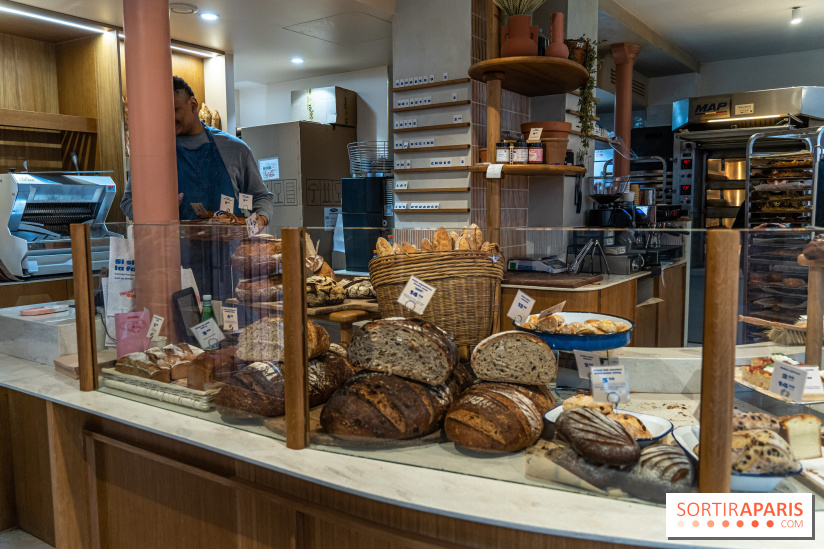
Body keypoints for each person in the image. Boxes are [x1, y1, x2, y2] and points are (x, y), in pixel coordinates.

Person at [121, 76, 275, 300]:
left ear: (192, 105)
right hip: (174, 266)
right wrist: (156, 211)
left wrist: (257, 223)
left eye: (174, 110)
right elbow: (128, 202)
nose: (166, 119)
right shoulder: (150, 154)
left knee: (229, 319)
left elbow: (261, 197)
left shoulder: (234, 149)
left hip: (229, 266)